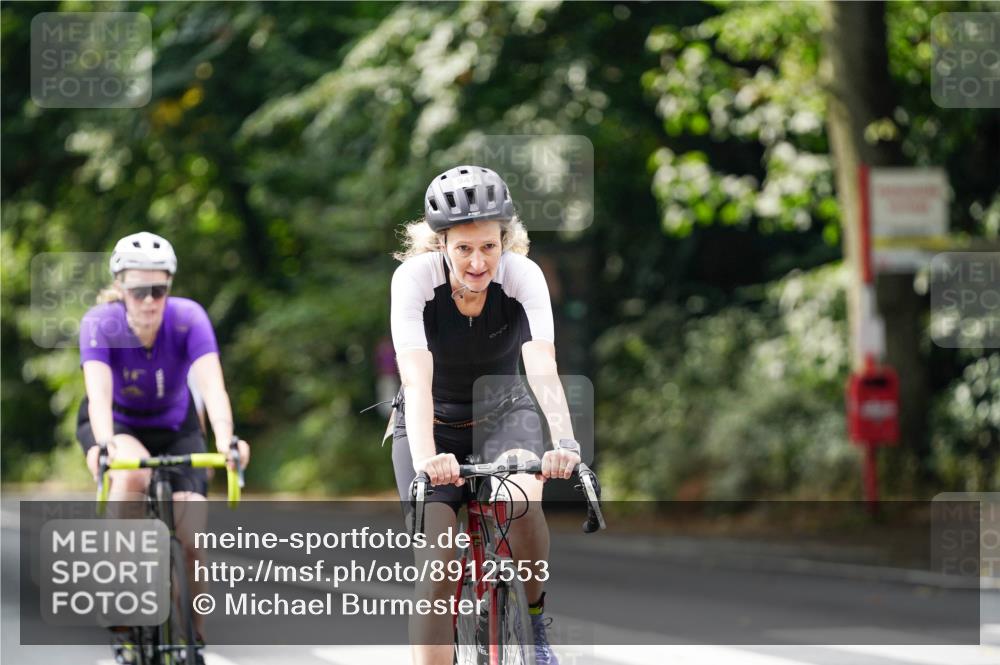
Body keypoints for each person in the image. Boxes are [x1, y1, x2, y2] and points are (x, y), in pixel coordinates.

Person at [390, 166, 582, 665]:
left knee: (523, 503)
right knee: (437, 565)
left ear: (505, 240)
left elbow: (542, 365)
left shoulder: (523, 275)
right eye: (463, 248)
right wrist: (428, 459)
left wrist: (565, 442)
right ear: (440, 244)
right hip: (430, 425)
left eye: (489, 246)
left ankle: (534, 622)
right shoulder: (415, 279)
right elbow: (416, 380)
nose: (478, 262)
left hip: (504, 414)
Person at [77, 231, 250, 665]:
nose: (150, 301)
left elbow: (213, 388)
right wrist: (104, 447)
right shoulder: (101, 323)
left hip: (176, 426)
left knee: (192, 539)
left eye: (159, 290)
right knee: (132, 473)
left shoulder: (189, 318)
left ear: (169, 285)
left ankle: (195, 640)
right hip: (118, 423)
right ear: (120, 287)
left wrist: (227, 440)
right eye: (139, 291)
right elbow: (98, 397)